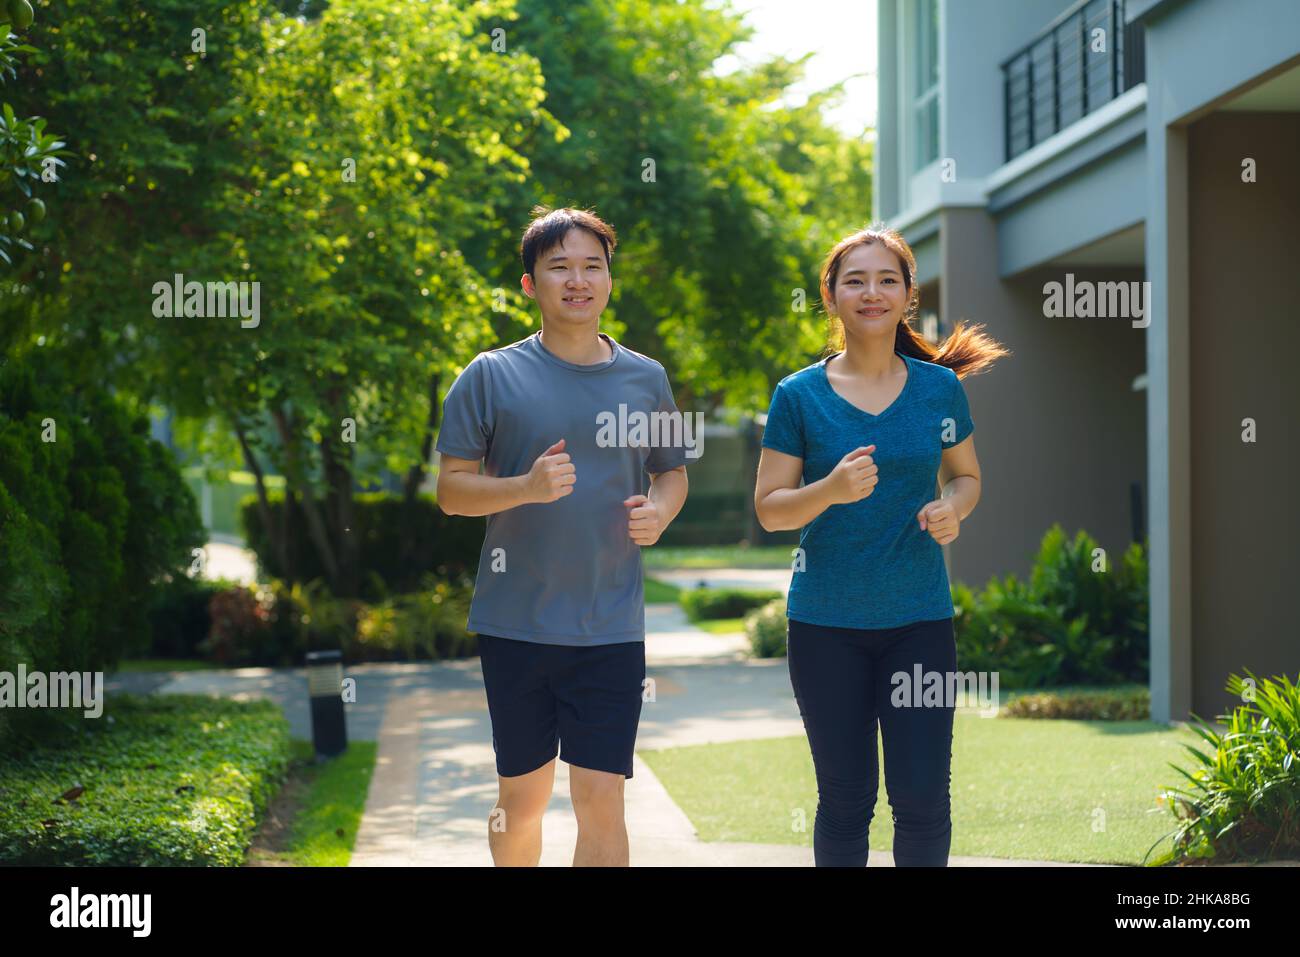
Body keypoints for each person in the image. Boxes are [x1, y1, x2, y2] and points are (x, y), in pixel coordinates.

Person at [435, 206, 694, 867]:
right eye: (559, 268)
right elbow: (451, 490)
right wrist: (524, 486)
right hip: (516, 624)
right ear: (530, 284)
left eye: (591, 267)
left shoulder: (647, 378)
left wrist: (660, 513)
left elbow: (672, 474)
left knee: (602, 798)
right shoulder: (490, 376)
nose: (577, 280)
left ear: (609, 280)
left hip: (610, 625)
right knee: (521, 799)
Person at [753, 223, 1008, 867]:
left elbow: (968, 477)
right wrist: (830, 490)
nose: (872, 292)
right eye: (855, 281)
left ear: (907, 296)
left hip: (918, 621)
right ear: (831, 296)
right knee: (845, 800)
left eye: (887, 280)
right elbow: (771, 510)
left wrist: (953, 509)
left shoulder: (938, 390)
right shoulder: (798, 396)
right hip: (825, 625)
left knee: (923, 801)